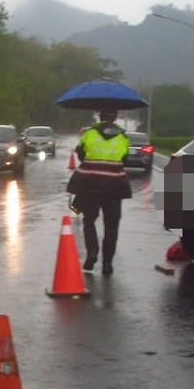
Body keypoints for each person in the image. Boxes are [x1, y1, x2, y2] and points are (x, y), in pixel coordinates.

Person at [68, 108, 132, 274]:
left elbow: (80, 153)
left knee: (89, 220)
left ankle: (92, 253)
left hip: (90, 183)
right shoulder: (123, 136)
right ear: (116, 117)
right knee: (112, 226)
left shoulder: (89, 134)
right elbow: (125, 158)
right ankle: (107, 264)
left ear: (100, 116)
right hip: (115, 186)